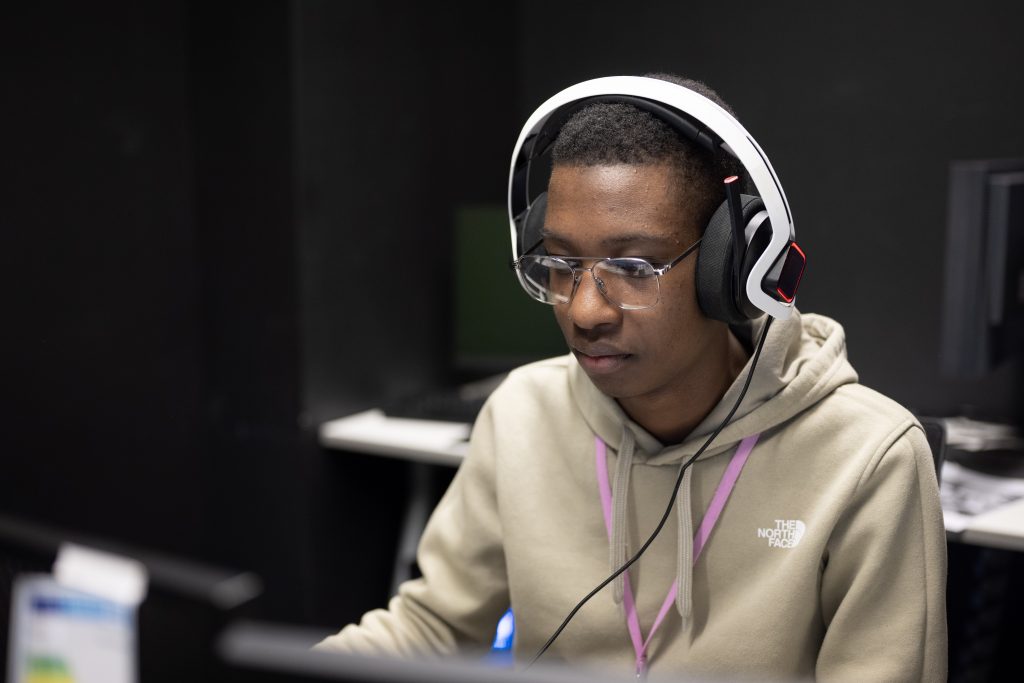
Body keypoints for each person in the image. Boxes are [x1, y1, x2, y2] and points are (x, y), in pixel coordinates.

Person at [316, 73, 948, 681]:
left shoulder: (869, 458)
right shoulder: (521, 413)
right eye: (561, 263)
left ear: (731, 268)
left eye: (635, 266)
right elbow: (431, 629)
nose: (585, 311)